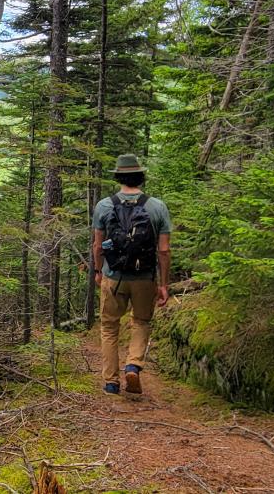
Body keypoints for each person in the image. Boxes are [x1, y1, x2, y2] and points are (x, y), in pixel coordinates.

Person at [92, 154, 172, 396]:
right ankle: (133, 366)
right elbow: (164, 250)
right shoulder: (157, 206)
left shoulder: (104, 205)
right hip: (144, 277)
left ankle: (111, 382)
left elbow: (98, 245)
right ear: (140, 176)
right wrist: (164, 284)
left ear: (118, 176)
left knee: (109, 327)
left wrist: (98, 271)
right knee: (141, 322)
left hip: (113, 276)